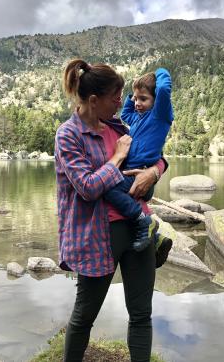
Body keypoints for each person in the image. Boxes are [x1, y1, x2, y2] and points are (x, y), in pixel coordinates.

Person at [55, 59, 167, 362]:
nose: (122, 103)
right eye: (115, 97)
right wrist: (117, 158)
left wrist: (153, 173)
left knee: (141, 314)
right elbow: (88, 188)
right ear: (94, 101)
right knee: (84, 317)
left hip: (138, 227)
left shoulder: (118, 125)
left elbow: (156, 157)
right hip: (97, 235)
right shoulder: (69, 135)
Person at [102, 68, 173, 264]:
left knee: (108, 189)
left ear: (156, 100)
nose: (137, 103)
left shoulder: (160, 115)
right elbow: (126, 113)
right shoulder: (138, 117)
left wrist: (160, 71)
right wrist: (132, 94)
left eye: (143, 99)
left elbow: (165, 90)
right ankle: (154, 236)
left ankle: (143, 221)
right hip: (136, 174)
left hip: (140, 172)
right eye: (135, 99)